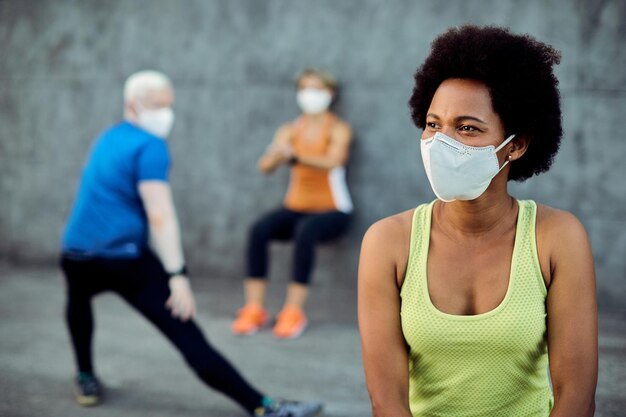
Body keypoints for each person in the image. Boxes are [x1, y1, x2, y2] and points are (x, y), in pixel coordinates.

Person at [358, 26, 598, 417]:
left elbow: (577, 397)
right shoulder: (388, 242)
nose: (441, 142)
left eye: (467, 128)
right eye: (433, 124)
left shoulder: (557, 238)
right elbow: (386, 402)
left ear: (516, 145)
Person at [60, 70, 322, 417]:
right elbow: (160, 214)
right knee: (187, 335)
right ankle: (264, 407)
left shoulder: (108, 137)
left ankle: (85, 376)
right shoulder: (151, 146)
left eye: (169, 106)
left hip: (75, 251)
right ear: (131, 105)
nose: (165, 114)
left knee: (78, 305)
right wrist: (177, 274)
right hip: (124, 260)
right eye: (156, 106)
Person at [232, 68, 353, 339]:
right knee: (259, 230)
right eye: (304, 88)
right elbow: (265, 165)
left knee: (305, 232)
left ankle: (293, 312)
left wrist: (295, 156)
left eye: (316, 89)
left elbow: (334, 161)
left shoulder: (338, 129)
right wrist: (278, 155)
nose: (309, 95)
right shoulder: (290, 129)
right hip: (295, 207)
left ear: (330, 94)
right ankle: (254, 309)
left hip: (333, 211)